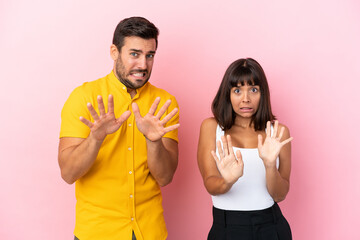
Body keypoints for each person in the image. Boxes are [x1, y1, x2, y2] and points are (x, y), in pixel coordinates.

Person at [58, 17, 180, 240]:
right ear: (114, 52)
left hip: (149, 231)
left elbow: (164, 177)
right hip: (97, 232)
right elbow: (68, 173)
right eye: (134, 54)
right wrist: (95, 138)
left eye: (150, 55)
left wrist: (153, 141)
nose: (143, 65)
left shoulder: (164, 103)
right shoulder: (83, 97)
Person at [197, 58, 293, 240]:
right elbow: (210, 184)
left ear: (263, 94)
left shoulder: (278, 132)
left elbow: (280, 195)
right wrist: (228, 181)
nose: (246, 99)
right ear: (228, 94)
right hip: (227, 227)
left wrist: (270, 164)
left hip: (271, 227)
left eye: (254, 90)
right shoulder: (211, 128)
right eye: (237, 90)